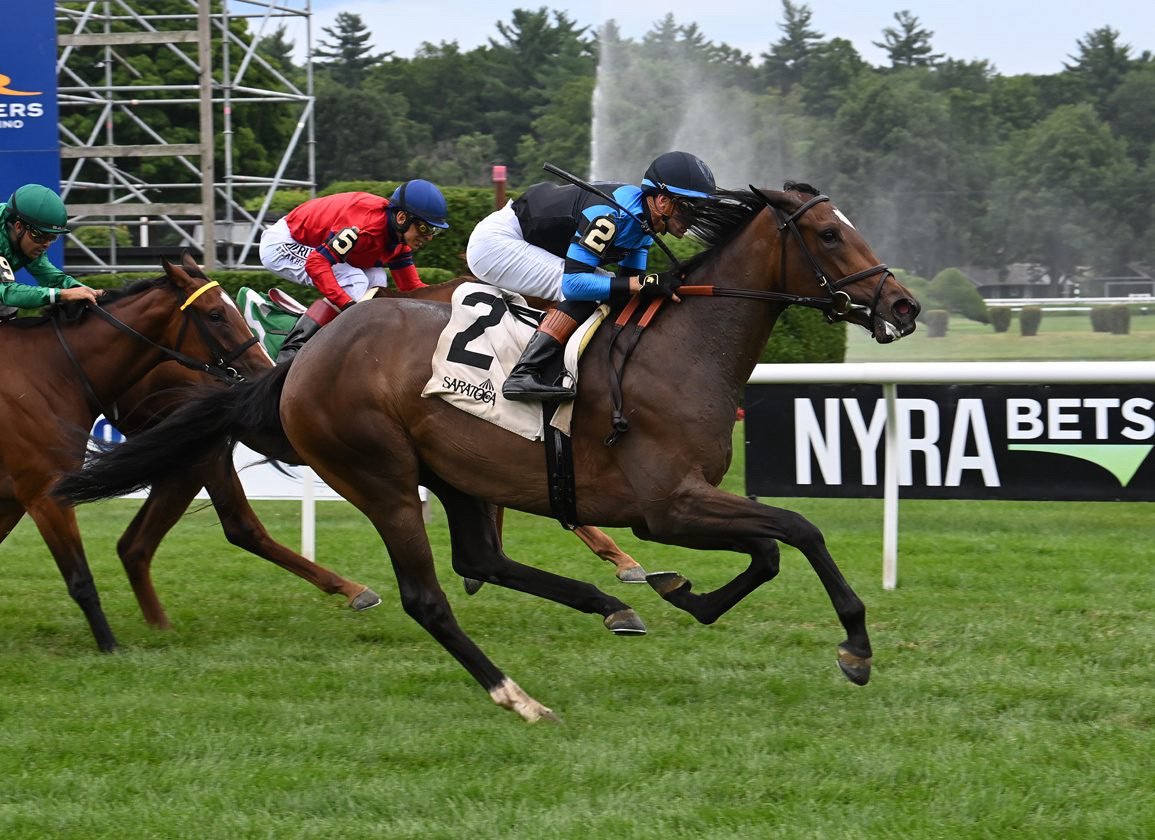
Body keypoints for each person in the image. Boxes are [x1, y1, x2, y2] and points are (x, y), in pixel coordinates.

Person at [465, 151, 718, 403]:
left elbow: (629, 291)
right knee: (590, 287)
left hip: (520, 240)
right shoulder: (610, 216)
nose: (694, 220)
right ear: (663, 202)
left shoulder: (644, 225)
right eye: (689, 209)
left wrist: (652, 287)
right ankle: (524, 373)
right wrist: (644, 284)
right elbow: (575, 285)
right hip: (496, 244)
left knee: (608, 286)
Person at [259, 179, 449, 362]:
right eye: (425, 228)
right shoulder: (363, 229)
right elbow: (316, 263)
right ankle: (292, 350)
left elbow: (412, 289)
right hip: (284, 243)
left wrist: (453, 302)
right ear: (401, 218)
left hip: (313, 246)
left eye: (434, 231)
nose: (429, 237)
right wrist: (349, 308)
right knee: (354, 279)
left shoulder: (399, 242)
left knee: (377, 278)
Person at [0, 184, 104, 317]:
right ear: (19, 227)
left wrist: (81, 289)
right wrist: (62, 294)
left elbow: (51, 278)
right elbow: (7, 293)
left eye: (52, 237)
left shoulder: (27, 240)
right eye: (41, 236)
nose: (46, 244)